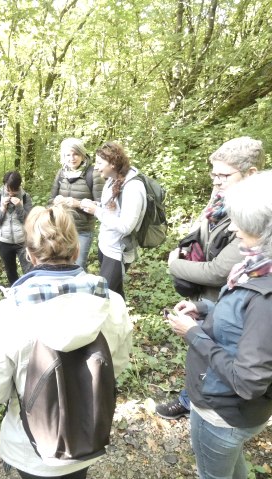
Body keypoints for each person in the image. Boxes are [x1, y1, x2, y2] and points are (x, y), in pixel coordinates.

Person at [0, 205, 132, 479]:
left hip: (31, 444)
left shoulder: (8, 312)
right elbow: (116, 366)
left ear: (30, 256)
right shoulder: (112, 303)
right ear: (75, 251)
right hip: (87, 434)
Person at [165, 170, 272, 479]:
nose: (234, 228)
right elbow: (242, 319)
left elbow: (249, 382)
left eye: (240, 221)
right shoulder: (254, 267)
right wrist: (204, 306)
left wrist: (194, 333)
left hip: (223, 412)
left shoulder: (265, 290)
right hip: (229, 410)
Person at [156, 137, 265, 420]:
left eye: (223, 175)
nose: (216, 182)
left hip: (226, 296)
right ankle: (193, 396)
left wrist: (174, 264)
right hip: (211, 298)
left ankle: (203, 406)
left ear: (250, 174)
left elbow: (217, 270)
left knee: (215, 349)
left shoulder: (253, 220)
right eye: (213, 173)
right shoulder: (220, 200)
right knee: (200, 350)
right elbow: (201, 229)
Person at [80, 142, 146, 300]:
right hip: (106, 246)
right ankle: (123, 324)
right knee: (116, 295)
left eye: (100, 163)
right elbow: (113, 209)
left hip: (117, 253)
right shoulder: (111, 179)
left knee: (101, 298)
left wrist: (97, 211)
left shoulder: (133, 188)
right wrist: (97, 206)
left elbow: (126, 226)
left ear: (113, 163)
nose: (96, 167)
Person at [50, 138, 104, 271]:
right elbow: (50, 201)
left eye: (76, 154)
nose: (72, 158)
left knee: (77, 267)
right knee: (61, 266)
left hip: (83, 231)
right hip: (61, 229)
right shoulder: (61, 173)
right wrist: (56, 202)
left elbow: (102, 206)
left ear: (82, 155)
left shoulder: (93, 174)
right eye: (68, 155)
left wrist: (79, 204)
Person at [0, 170, 33, 285]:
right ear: (4, 185)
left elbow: (28, 221)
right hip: (4, 241)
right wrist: (2, 209)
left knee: (29, 270)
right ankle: (16, 292)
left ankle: (30, 292)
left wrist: (19, 206)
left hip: (23, 241)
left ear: (18, 186)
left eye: (13, 190)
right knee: (11, 272)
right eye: (8, 189)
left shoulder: (25, 197)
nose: (10, 193)